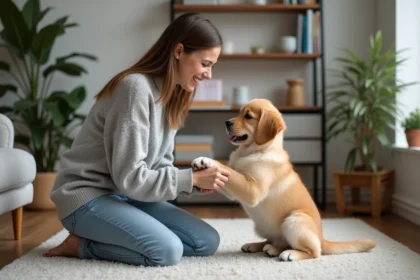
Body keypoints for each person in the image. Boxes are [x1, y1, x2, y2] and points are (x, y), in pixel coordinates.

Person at [43, 12, 231, 267]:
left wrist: (194, 181)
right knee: (167, 251)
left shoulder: (174, 96)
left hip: (128, 196)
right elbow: (130, 177)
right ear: (178, 51)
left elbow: (159, 166)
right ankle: (81, 246)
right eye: (206, 63)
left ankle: (113, 234)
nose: (209, 74)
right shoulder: (135, 88)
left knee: (206, 241)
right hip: (87, 198)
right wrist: (189, 178)